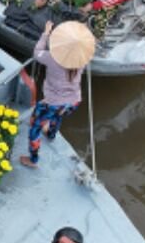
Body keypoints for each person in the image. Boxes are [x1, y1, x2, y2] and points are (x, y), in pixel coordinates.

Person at [20, 20, 95, 169]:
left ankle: (33, 159)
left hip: (52, 102)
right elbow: (81, 46)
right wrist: (81, 36)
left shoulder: (52, 58)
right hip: (73, 101)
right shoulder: (82, 59)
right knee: (58, 116)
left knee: (35, 128)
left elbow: (36, 53)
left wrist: (46, 33)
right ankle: (51, 134)